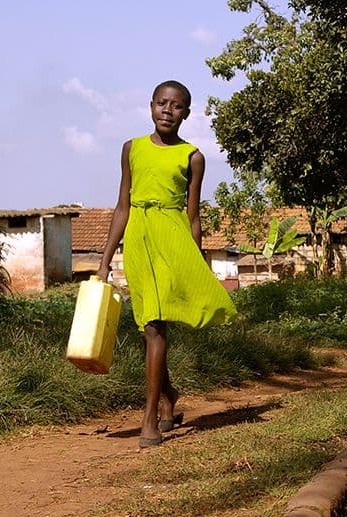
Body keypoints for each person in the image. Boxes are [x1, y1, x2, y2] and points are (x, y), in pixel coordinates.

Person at [96, 80, 236, 448]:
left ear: (186, 114)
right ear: (151, 106)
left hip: (173, 240)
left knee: (156, 326)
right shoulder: (132, 149)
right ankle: (169, 395)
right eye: (162, 103)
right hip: (139, 241)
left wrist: (196, 261)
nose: (167, 111)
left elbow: (193, 216)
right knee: (148, 327)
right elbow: (122, 206)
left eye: (176, 106)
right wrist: (104, 261)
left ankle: (150, 417)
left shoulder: (192, 157)